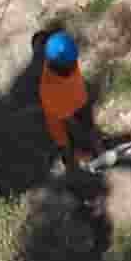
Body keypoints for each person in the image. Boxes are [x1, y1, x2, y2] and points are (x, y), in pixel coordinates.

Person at [37, 30, 100, 169]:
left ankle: (87, 151)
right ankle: (77, 161)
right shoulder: (49, 88)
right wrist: (84, 137)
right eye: (70, 64)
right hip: (66, 118)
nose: (73, 65)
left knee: (84, 130)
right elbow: (67, 121)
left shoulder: (64, 64)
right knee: (71, 140)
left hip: (77, 104)